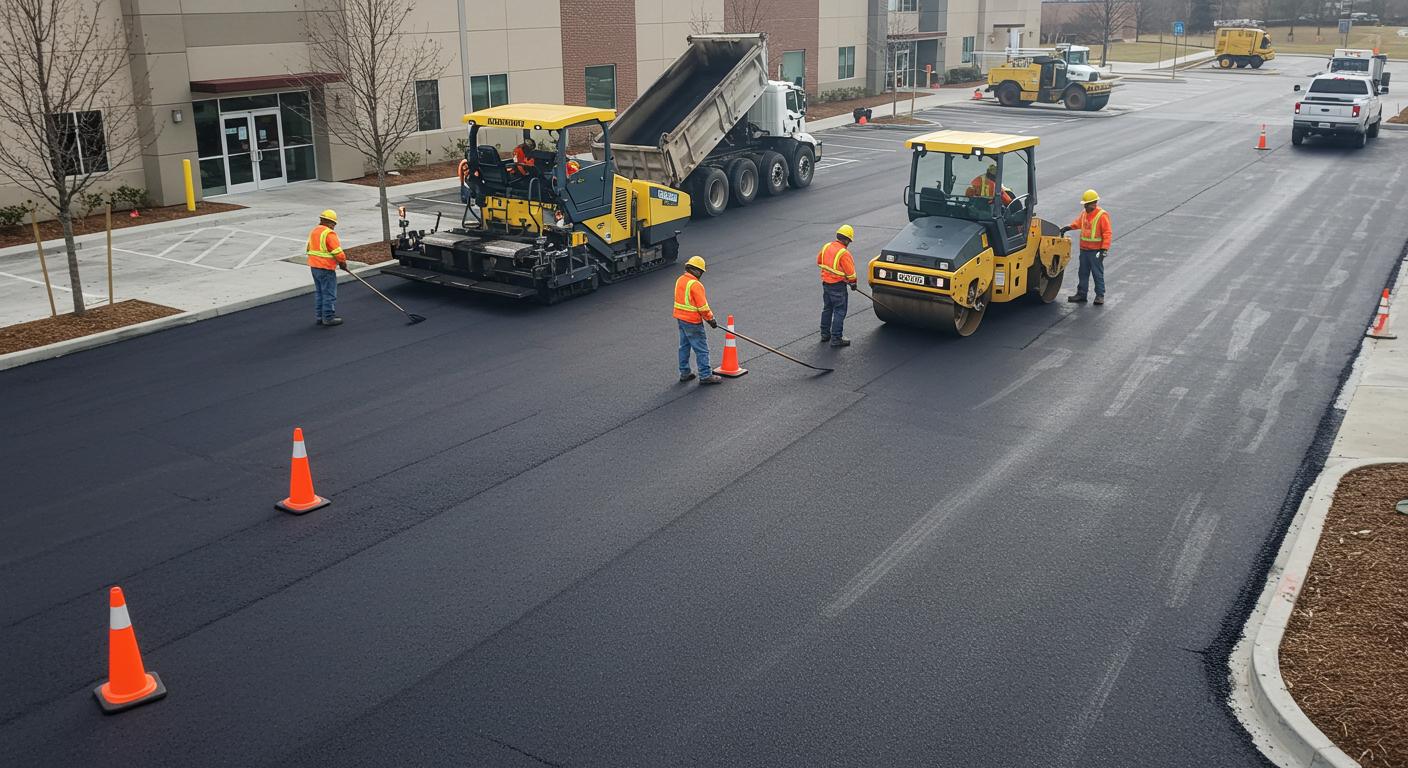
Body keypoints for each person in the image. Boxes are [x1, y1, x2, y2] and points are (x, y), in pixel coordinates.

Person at [674, 255, 722, 385]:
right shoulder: (695, 284)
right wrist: (711, 319)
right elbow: (703, 307)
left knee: (684, 346)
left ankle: (684, 373)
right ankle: (705, 375)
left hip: (681, 319)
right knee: (702, 349)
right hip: (692, 322)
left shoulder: (680, 280)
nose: (701, 274)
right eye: (700, 271)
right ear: (695, 270)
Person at [1062, 189, 1112, 305]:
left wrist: (1104, 249)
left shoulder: (1102, 215)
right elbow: (1078, 223)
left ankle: (1100, 296)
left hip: (1096, 251)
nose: (1084, 206)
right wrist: (1069, 227)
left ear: (1093, 203)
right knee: (1083, 273)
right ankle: (1081, 294)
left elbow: (1107, 233)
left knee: (1097, 274)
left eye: (1086, 204)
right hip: (1084, 250)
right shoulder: (1084, 213)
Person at [817, 224, 858, 347]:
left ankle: (825, 334)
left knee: (827, 308)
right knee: (840, 311)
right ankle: (836, 338)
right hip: (838, 286)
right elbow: (851, 273)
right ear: (846, 240)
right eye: (849, 241)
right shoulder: (843, 253)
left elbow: (819, 261)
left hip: (826, 284)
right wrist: (853, 283)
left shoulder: (827, 246)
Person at [306, 209, 349, 326]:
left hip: (314, 267)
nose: (334, 226)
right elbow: (337, 252)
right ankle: (328, 317)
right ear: (330, 222)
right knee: (329, 293)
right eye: (334, 224)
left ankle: (320, 316)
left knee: (320, 292)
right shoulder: (328, 233)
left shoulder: (314, 231)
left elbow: (309, 248)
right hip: (325, 268)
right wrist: (342, 263)